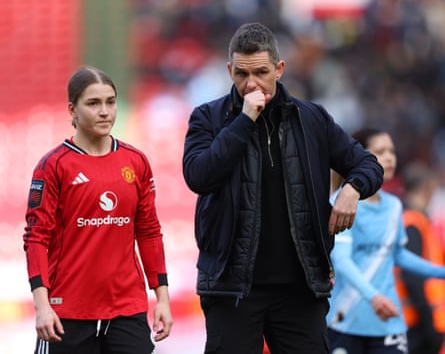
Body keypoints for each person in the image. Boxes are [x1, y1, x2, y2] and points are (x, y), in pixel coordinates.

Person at [182, 22, 384, 354]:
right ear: (229, 70)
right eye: (241, 74)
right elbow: (198, 176)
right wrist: (244, 121)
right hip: (231, 288)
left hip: (300, 288)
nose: (251, 84)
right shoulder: (208, 117)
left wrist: (352, 189)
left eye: (261, 72)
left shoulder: (312, 119)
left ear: (279, 69)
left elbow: (368, 164)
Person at [23, 66, 173, 354]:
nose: (105, 111)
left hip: (126, 309)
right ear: (73, 110)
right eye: (93, 103)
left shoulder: (136, 161)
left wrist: (161, 299)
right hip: (67, 312)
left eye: (110, 102)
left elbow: (149, 232)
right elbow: (36, 238)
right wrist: (42, 307)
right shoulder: (53, 166)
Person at [327, 128, 445, 354]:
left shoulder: (393, 206)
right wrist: (374, 297)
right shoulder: (342, 203)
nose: (390, 157)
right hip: (347, 319)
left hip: (388, 320)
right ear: (359, 158)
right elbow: (341, 261)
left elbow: (398, 254)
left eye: (392, 151)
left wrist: (440, 272)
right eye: (380, 151)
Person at [394, 162, 445, 354]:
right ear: (427, 189)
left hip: (416, 319)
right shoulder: (412, 223)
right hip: (417, 322)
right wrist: (429, 321)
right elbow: (412, 277)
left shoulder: (409, 219)